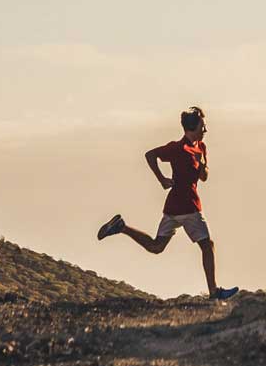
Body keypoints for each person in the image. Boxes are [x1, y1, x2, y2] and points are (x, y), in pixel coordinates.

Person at [97, 106, 238, 301]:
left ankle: (121, 227)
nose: (205, 130)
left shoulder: (201, 148)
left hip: (174, 207)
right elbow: (150, 155)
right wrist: (161, 178)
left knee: (157, 246)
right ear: (192, 128)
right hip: (188, 206)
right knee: (207, 245)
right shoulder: (177, 148)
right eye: (202, 127)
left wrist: (202, 163)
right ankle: (214, 293)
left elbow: (204, 177)